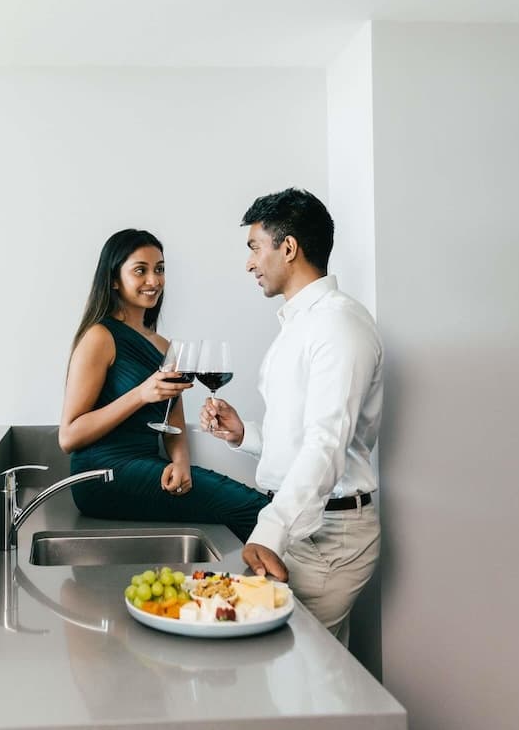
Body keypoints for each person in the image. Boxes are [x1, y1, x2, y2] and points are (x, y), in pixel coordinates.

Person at [200, 188, 383, 645]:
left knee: (301, 671)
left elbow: (327, 444)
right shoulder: (302, 324)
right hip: (306, 527)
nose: (249, 264)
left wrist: (271, 530)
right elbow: (305, 437)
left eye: (255, 248)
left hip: (328, 537)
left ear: (288, 248)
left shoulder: (338, 325)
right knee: (306, 673)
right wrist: (246, 435)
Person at [59, 229, 268, 542]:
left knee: (254, 508)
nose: (153, 280)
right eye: (140, 270)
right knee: (254, 509)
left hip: (147, 466)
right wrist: (141, 394)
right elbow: (68, 437)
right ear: (114, 279)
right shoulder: (100, 337)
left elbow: (173, 421)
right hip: (102, 476)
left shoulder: (163, 345)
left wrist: (181, 463)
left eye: (159, 269)